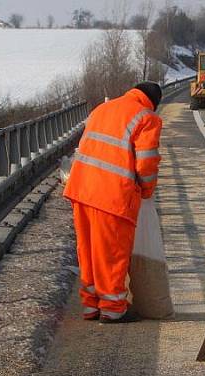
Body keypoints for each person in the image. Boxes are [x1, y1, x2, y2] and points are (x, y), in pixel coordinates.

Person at [63, 82, 163, 323]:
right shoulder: (147, 118)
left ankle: (90, 305)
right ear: (153, 102)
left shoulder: (102, 109)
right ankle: (112, 307)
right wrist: (147, 190)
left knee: (88, 251)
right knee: (111, 253)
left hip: (81, 189)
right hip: (112, 196)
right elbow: (146, 163)